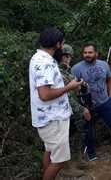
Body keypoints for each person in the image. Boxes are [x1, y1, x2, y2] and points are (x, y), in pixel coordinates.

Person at [29, 26, 82, 180]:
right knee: (60, 161)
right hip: (53, 119)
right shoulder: (45, 63)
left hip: (49, 117)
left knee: (50, 152)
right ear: (58, 44)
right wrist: (69, 87)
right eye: (62, 43)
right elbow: (44, 95)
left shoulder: (38, 57)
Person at [71, 43, 111, 161]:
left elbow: (109, 79)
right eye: (85, 53)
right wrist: (81, 105)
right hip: (87, 105)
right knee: (87, 130)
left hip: (105, 102)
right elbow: (71, 87)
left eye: (90, 52)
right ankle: (91, 154)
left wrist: (110, 96)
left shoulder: (104, 65)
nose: (87, 55)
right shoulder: (76, 69)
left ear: (96, 54)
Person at [58, 44, 90, 176]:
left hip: (74, 110)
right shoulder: (57, 72)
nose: (68, 58)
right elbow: (63, 95)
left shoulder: (67, 71)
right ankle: (66, 167)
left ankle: (77, 159)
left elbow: (77, 88)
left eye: (70, 56)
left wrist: (82, 85)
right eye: (65, 55)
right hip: (65, 111)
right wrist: (81, 109)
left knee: (78, 134)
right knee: (65, 139)